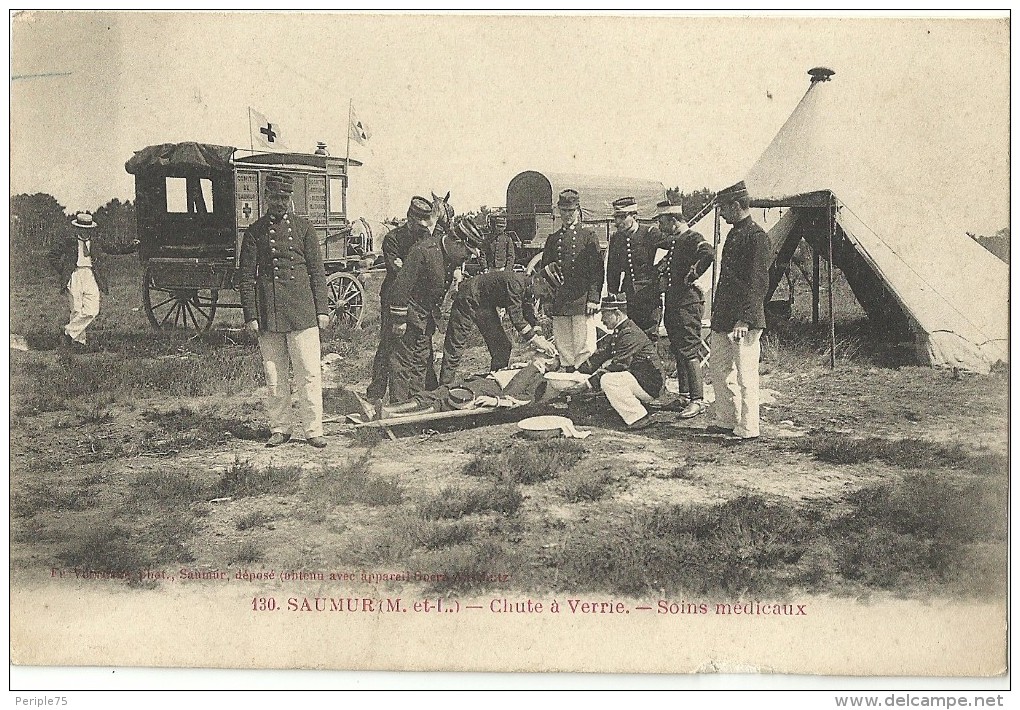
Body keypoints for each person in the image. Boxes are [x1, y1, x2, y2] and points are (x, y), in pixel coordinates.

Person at [238, 172, 330, 448]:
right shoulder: (254, 232)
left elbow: (317, 272)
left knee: (309, 373)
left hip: (302, 312)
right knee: (274, 374)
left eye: (284, 197)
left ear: (290, 199)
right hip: (270, 313)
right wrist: (252, 315)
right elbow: (246, 277)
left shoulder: (305, 229)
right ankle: (280, 428)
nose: (279, 202)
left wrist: (322, 310)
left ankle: (314, 429)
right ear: (266, 198)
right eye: (274, 197)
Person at [387, 215, 476, 404]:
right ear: (457, 242)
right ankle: (398, 407)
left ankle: (416, 404)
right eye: (466, 253)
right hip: (409, 314)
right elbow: (400, 286)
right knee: (402, 363)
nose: (465, 259)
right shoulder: (423, 251)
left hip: (426, 317)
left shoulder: (450, 255)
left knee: (421, 361)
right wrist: (399, 320)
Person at [708, 180, 770, 441]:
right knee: (718, 371)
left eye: (723, 208)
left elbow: (757, 283)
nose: (721, 214)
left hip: (743, 321)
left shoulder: (757, 238)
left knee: (745, 375)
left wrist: (744, 319)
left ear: (736, 205)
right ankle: (727, 419)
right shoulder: (735, 233)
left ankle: (749, 427)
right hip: (724, 318)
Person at [365, 196, 439, 401]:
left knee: (420, 346)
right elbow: (396, 269)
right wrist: (415, 268)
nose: (422, 227)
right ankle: (376, 392)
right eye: (418, 223)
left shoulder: (426, 236)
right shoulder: (393, 238)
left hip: (417, 300)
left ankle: (423, 390)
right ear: (409, 218)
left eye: (424, 223)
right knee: (389, 343)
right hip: (393, 298)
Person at [439, 262, 556, 386]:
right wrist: (536, 340)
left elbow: (530, 315)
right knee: (455, 348)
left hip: (484, 304)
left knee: (502, 347)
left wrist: (540, 335)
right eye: (544, 290)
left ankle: (494, 382)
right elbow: (517, 319)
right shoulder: (516, 284)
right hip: (468, 298)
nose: (543, 295)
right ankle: (443, 389)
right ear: (538, 280)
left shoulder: (528, 287)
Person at [48, 212, 139, 350]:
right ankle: (79, 343)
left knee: (92, 310)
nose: (85, 232)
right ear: (77, 229)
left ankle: (67, 332)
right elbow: (52, 255)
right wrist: (65, 271)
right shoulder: (69, 241)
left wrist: (132, 246)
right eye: (82, 229)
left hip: (91, 275)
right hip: (75, 275)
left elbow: (115, 249)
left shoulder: (97, 242)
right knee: (76, 310)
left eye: (88, 230)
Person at [656, 200, 714, 418]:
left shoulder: (692, 237)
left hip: (688, 303)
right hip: (675, 302)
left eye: (662, 222)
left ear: (673, 221)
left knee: (689, 350)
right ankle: (684, 395)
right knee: (679, 348)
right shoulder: (677, 241)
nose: (661, 227)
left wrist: (692, 275)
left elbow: (708, 253)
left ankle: (697, 400)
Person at [538, 189, 604, 371]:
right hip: (560, 300)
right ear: (558, 211)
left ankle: (584, 382)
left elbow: (597, 270)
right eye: (564, 211)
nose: (567, 215)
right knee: (564, 344)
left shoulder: (588, 236)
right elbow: (545, 274)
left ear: (578, 210)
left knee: (584, 344)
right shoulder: (552, 239)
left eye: (571, 211)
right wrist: (547, 300)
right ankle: (568, 378)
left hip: (582, 299)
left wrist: (593, 298)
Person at [577, 293, 664, 430]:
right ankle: (634, 407)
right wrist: (577, 372)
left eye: (605, 314)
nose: (602, 320)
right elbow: (600, 355)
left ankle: (638, 417)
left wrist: (587, 384)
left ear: (617, 314)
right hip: (640, 380)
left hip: (651, 385)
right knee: (607, 378)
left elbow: (619, 365)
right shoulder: (621, 331)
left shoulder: (629, 333)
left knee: (608, 380)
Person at [606, 196, 661, 334]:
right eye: (616, 217)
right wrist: (613, 293)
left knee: (649, 335)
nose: (618, 222)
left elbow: (673, 248)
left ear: (634, 216)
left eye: (622, 217)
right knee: (628, 334)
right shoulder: (616, 238)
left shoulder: (650, 233)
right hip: (628, 295)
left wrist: (660, 269)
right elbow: (613, 269)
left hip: (649, 294)